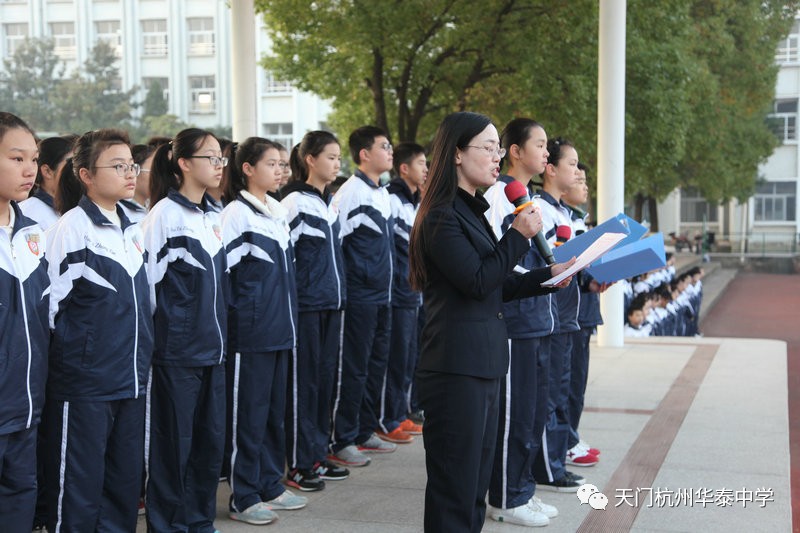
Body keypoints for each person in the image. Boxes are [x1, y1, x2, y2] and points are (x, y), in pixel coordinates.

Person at [408, 111, 575, 533]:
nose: (497, 156)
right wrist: (518, 236)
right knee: (454, 488)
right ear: (457, 154)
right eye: (487, 147)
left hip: (482, 364)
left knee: (474, 487)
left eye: (498, 147)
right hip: (454, 368)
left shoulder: (471, 211)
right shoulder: (443, 215)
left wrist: (547, 278)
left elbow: (496, 282)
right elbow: (478, 280)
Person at [45, 128, 153, 532]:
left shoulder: (132, 227)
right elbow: (49, 310)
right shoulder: (72, 229)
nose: (130, 173)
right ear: (86, 175)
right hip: (86, 384)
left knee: (123, 485)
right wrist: (81, 358)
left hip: (131, 380)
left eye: (132, 165)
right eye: (118, 165)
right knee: (79, 486)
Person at [141, 128, 227, 533]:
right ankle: (168, 525)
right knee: (175, 448)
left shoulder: (213, 215)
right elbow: (149, 288)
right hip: (177, 354)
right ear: (183, 163)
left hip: (214, 350)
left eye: (220, 158)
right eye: (210, 157)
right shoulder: (164, 216)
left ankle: (199, 522)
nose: (218, 165)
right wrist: (171, 335)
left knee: (209, 446)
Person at [221, 137, 307, 525]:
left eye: (283, 164)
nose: (280, 170)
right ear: (247, 168)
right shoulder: (236, 214)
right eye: (272, 163)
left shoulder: (275, 210)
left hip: (280, 330)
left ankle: (270, 483)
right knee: (248, 417)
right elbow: (229, 280)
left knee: (274, 413)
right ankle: (244, 495)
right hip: (252, 334)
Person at [483, 117, 560, 527]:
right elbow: (500, 261)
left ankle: (523, 489)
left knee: (533, 414)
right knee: (513, 415)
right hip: (515, 321)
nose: (546, 153)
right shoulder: (499, 197)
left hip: (538, 319)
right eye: (540, 144)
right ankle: (505, 497)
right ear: (515, 151)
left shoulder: (526, 197)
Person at [281, 131, 350, 491]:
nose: (337, 164)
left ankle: (318, 454)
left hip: (332, 304)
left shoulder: (330, 202)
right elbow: (287, 258)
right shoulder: (293, 201)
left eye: (339, 158)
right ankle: (298, 462)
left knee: (324, 385)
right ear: (310, 159)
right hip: (307, 306)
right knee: (305, 386)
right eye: (331, 157)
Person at [329, 126, 396, 466]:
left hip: (383, 295)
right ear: (364, 154)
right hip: (359, 296)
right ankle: (342, 437)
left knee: (375, 363)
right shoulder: (350, 193)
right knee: (353, 367)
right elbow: (336, 246)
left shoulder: (382, 193)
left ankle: (364, 429)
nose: (390, 151)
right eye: (384, 146)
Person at [534, 137, 593, 491]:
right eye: (571, 164)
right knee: (550, 395)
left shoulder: (563, 213)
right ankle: (549, 466)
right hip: (550, 316)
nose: (577, 170)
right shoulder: (542, 212)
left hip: (567, 315)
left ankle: (555, 460)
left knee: (561, 392)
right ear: (551, 169)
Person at [0, 112, 48, 532]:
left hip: (27, 406)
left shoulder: (33, 235)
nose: (29, 169)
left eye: (33, 158)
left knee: (19, 497)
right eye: (16, 158)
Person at [377, 142, 427, 444]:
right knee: (395, 357)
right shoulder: (393, 199)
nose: (425, 169)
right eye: (420, 163)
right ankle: (388, 417)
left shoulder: (415, 201)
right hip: (397, 291)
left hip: (413, 292)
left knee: (409, 355)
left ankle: (402, 411)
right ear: (405, 168)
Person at [562, 162, 604, 468]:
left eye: (585, 178)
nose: (583, 183)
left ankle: (570, 437)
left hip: (583, 312)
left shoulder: (579, 220)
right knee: (568, 385)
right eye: (577, 174)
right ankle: (565, 442)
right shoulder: (560, 220)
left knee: (577, 385)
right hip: (567, 316)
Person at [20, 134, 76, 230]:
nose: (77, 172)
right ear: (47, 171)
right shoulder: (27, 214)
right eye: (71, 166)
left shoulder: (75, 211)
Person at [120, 143, 156, 223]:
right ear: (135, 170)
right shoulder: (120, 212)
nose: (160, 178)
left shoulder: (156, 209)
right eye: (155, 171)